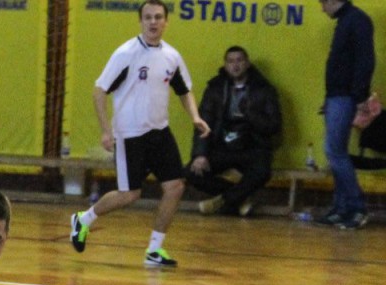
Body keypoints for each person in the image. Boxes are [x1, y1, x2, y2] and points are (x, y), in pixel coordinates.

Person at [69, 0, 210, 269]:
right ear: (141, 21)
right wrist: (106, 130)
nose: (153, 22)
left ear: (166, 22)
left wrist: (195, 116)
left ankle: (154, 250)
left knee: (175, 187)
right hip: (130, 134)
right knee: (129, 194)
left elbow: (184, 90)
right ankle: (83, 219)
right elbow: (99, 91)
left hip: (160, 132)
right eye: (148, 17)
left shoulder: (171, 56)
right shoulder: (126, 53)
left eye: (158, 17)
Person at [187, 46, 282, 218]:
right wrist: (200, 154)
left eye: (239, 60)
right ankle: (240, 199)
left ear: (247, 63)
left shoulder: (264, 89)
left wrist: (251, 114)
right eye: (231, 61)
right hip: (222, 145)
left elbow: (274, 126)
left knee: (262, 172)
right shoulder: (215, 88)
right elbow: (203, 123)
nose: (235, 65)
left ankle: (222, 200)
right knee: (192, 172)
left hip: (252, 145)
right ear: (225, 65)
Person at [316, 0, 375, 229]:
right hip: (338, 95)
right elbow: (343, 63)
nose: (322, 8)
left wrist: (359, 98)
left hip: (346, 96)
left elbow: (365, 61)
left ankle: (357, 207)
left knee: (335, 152)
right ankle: (341, 209)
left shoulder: (356, 20)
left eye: (322, 3)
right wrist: (330, 97)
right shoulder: (346, 21)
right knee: (336, 153)